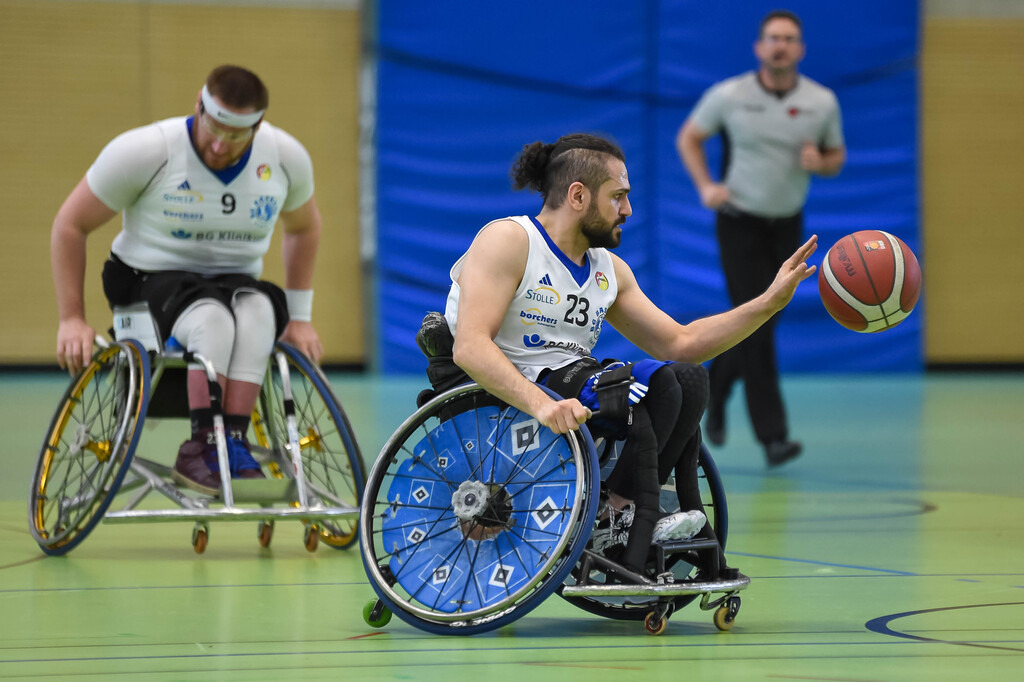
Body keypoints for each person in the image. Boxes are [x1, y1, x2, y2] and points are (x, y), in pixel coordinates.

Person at [441, 132, 817, 577]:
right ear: (578, 195)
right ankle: (614, 513)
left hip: (574, 383)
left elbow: (681, 344)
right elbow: (469, 347)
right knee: (647, 387)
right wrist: (542, 405)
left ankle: (617, 508)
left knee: (688, 377)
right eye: (618, 196)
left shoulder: (608, 269)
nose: (628, 210)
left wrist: (768, 303)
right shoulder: (510, 240)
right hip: (512, 391)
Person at [50, 64, 324, 495]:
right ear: (198, 105)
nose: (219, 145)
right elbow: (70, 224)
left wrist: (302, 318)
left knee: (258, 314)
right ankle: (201, 446)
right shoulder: (145, 150)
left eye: (235, 137)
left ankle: (232, 441)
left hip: (232, 280)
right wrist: (71, 318)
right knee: (212, 319)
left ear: (258, 127)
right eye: (212, 128)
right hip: (147, 277)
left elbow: (305, 228)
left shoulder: (285, 158)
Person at [676, 9, 845, 467]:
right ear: (759, 47)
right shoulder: (729, 96)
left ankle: (717, 386)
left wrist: (822, 162)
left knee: (761, 324)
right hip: (739, 222)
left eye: (789, 39)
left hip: (787, 224)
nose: (780, 46)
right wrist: (707, 187)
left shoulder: (821, 101)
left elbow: (836, 156)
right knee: (759, 319)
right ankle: (774, 437)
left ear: (800, 49)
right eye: (773, 38)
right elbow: (689, 137)